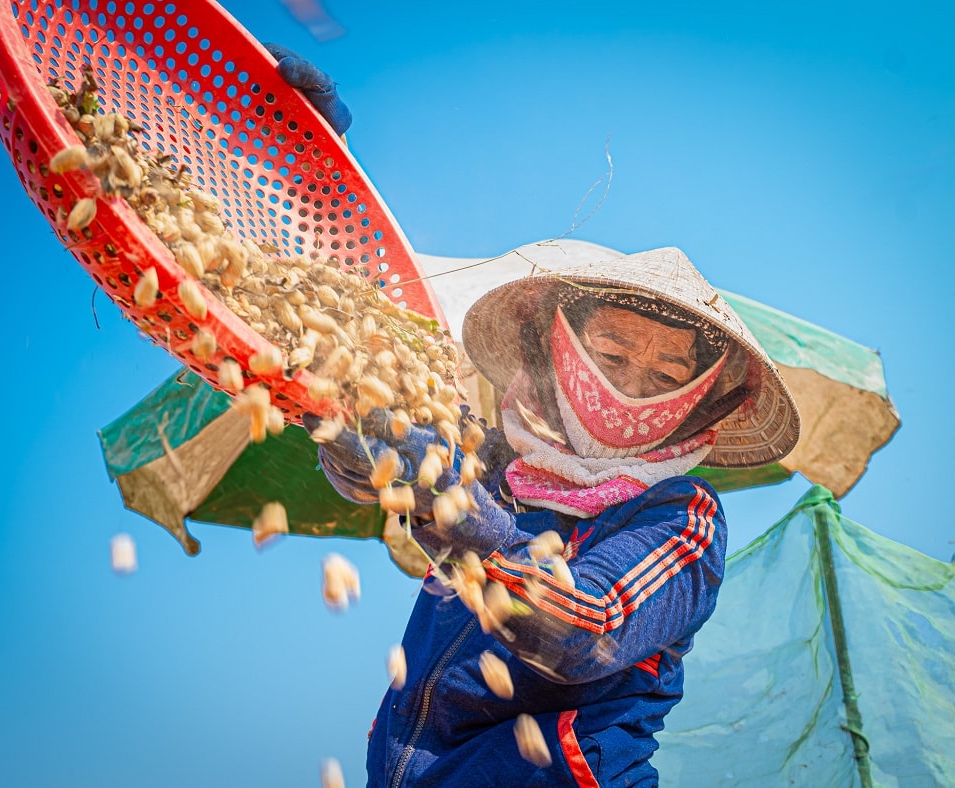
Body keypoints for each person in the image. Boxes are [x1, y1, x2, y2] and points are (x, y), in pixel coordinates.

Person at [267, 49, 800, 786]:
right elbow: (369, 373)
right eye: (611, 355)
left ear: (699, 404)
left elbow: (585, 627)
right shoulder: (496, 469)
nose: (632, 390)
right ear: (558, 348)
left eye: (666, 378)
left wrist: (450, 505)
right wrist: (314, 167)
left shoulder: (682, 516)